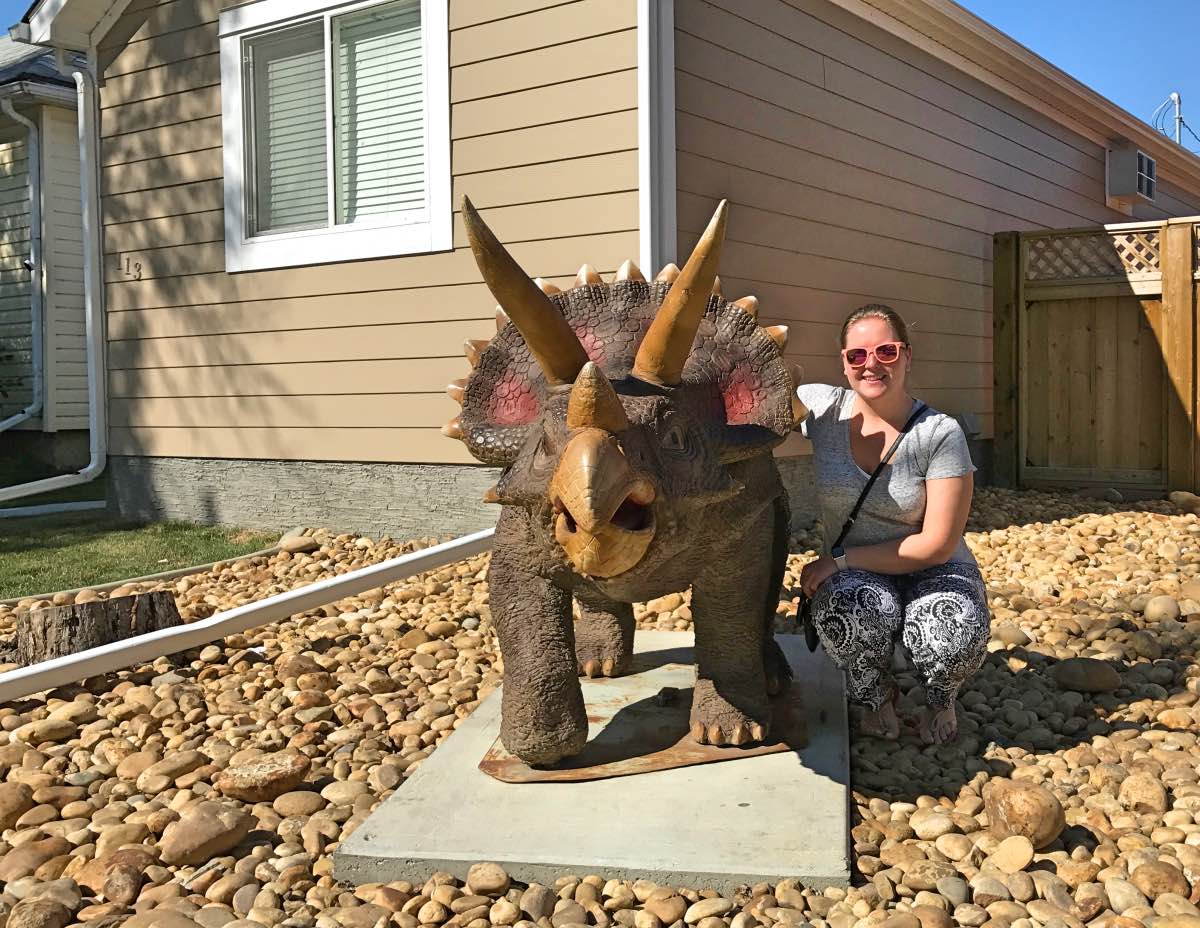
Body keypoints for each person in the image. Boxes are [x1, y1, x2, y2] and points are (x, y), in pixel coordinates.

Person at [795, 304, 989, 744]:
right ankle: (876, 698)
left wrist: (837, 561)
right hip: (859, 576)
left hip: (931, 567)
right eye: (857, 355)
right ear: (843, 361)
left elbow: (938, 544)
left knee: (950, 632)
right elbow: (754, 395)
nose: (872, 365)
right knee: (847, 611)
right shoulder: (822, 410)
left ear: (906, 354)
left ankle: (940, 698)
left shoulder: (939, 433)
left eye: (886, 351)